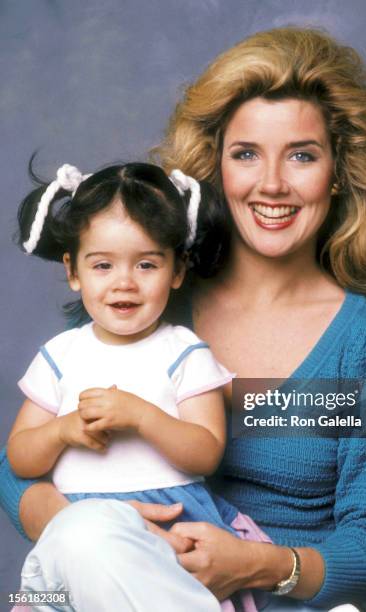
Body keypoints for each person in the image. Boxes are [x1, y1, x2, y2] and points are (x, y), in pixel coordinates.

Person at [0, 27, 366, 611]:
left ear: (337, 171)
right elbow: (19, 466)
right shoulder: (143, 292)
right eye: (246, 154)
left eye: (302, 155)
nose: (271, 184)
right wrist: (94, 531)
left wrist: (256, 565)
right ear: (215, 166)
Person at [7, 161, 269, 612]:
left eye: (146, 264)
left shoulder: (184, 352)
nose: (124, 282)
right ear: (73, 271)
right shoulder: (60, 354)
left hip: (171, 517)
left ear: (178, 270)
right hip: (76, 524)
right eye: (103, 265)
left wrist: (143, 417)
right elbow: (19, 456)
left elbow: (207, 452)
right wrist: (62, 430)